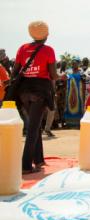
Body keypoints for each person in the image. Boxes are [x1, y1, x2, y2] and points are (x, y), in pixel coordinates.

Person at [11, 21, 60, 174]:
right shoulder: (48, 50)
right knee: (33, 128)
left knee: (35, 124)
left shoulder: (23, 48)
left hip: (24, 92)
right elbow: (53, 75)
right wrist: (61, 77)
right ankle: (25, 165)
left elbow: (15, 72)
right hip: (40, 92)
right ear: (46, 35)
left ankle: (38, 159)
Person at [64, 57, 85, 127]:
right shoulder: (68, 72)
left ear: (78, 64)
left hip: (79, 93)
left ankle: (78, 123)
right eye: (72, 63)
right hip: (69, 92)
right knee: (69, 106)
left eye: (75, 63)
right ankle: (69, 123)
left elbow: (84, 82)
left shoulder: (81, 73)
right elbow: (65, 81)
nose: (73, 65)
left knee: (79, 107)